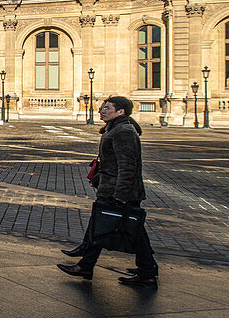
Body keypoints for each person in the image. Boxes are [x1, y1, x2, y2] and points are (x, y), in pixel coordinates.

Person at [57, 95, 158, 289]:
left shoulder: (123, 131)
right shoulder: (117, 128)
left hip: (119, 191)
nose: (102, 110)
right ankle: (148, 269)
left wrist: (120, 194)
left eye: (107, 107)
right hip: (114, 187)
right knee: (132, 230)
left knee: (103, 227)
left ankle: (86, 264)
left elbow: (128, 166)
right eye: (102, 107)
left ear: (120, 112)